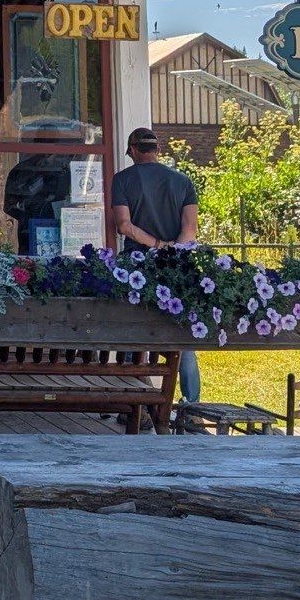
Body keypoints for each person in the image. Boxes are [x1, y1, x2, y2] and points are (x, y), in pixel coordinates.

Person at [111, 126, 201, 401]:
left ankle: (132, 400)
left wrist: (155, 246)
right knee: (182, 337)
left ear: (134, 150)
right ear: (157, 150)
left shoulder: (122, 180)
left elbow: (125, 226)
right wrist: (171, 250)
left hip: (136, 266)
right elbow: (190, 230)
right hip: (176, 267)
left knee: (132, 332)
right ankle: (191, 405)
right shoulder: (183, 182)